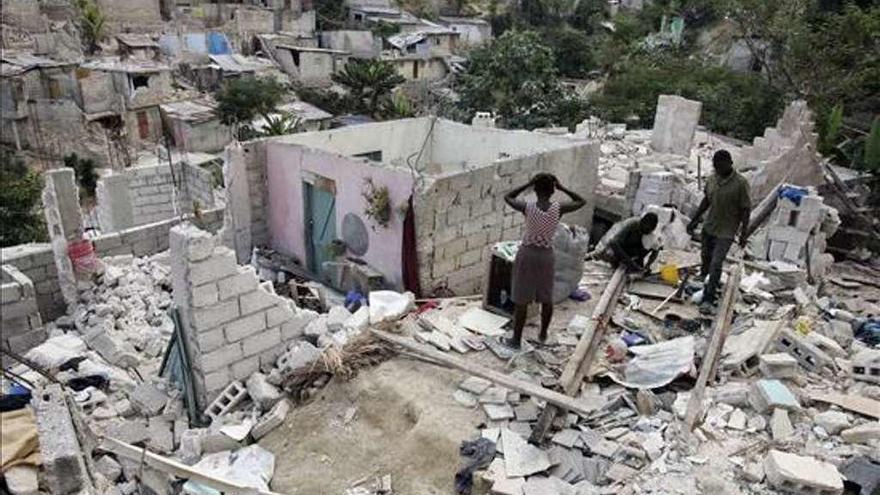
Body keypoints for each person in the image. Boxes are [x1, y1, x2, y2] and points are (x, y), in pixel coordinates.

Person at [504, 173, 586, 349]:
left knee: (522, 300)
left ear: (535, 189)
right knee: (546, 297)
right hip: (546, 255)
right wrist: (562, 188)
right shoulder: (558, 208)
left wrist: (527, 183)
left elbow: (508, 197)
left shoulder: (528, 207)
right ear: (552, 191)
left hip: (527, 254)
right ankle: (543, 333)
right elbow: (581, 201)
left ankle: (516, 340)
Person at [687, 150, 751, 313]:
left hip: (726, 231)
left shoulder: (740, 183)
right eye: (715, 167)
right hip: (710, 226)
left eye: (720, 166)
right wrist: (695, 219)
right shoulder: (712, 179)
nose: (717, 169)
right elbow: (706, 200)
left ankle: (708, 298)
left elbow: (745, 209)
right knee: (706, 259)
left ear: (729, 163)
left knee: (716, 264)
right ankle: (704, 284)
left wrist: (744, 233)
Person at [590, 212, 661, 274]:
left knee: (637, 268)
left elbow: (655, 251)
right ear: (641, 223)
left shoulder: (652, 234)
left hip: (633, 250)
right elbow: (614, 243)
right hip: (620, 247)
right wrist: (629, 262)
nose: (646, 231)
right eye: (645, 229)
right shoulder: (632, 224)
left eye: (649, 230)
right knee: (610, 254)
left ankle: (632, 263)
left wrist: (648, 265)